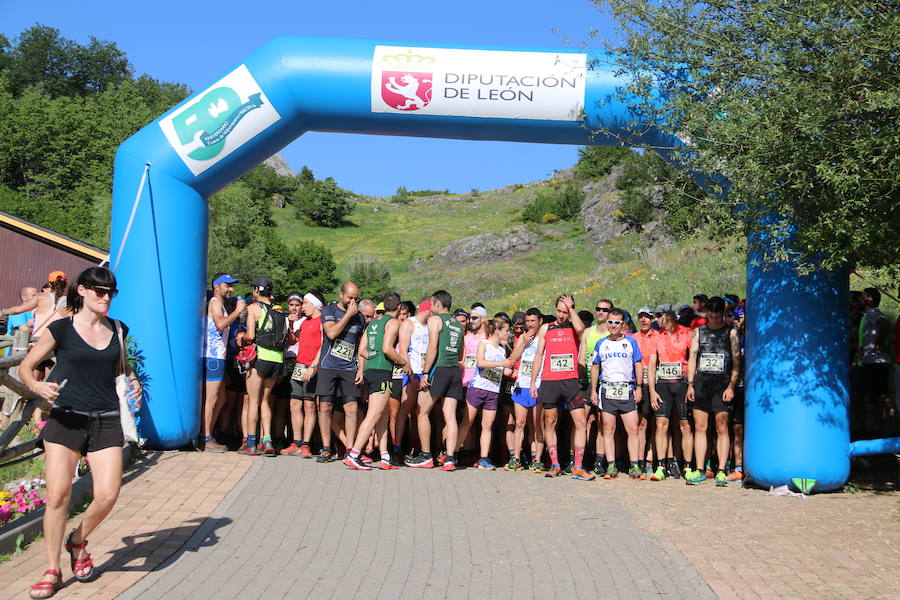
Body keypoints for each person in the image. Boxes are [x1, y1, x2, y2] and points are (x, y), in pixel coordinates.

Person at [19, 267, 142, 599]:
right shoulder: (61, 329)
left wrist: (133, 380)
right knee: (58, 496)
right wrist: (37, 386)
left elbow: (121, 365)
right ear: (83, 291)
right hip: (67, 419)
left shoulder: (118, 329)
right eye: (100, 291)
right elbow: (25, 366)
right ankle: (52, 570)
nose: (106, 298)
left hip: (106, 418)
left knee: (107, 494)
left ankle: (77, 540)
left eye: (111, 293)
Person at [531, 294, 593, 480]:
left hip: (571, 382)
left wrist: (572, 308)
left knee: (581, 423)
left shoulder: (576, 328)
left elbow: (582, 329)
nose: (561, 315)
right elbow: (539, 356)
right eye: (559, 311)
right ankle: (555, 464)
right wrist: (534, 381)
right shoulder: (546, 328)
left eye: (565, 312)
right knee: (549, 423)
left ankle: (578, 466)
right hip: (550, 381)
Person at [345, 292, 408, 470]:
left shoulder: (373, 322)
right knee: (373, 414)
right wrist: (403, 362)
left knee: (382, 414)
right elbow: (388, 349)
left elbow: (362, 349)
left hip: (371, 370)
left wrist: (374, 356)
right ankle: (354, 454)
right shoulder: (393, 322)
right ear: (398, 308)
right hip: (382, 371)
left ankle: (385, 457)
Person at [406, 290, 464, 470]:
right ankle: (450, 458)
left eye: (431, 304)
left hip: (439, 369)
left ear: (437, 304)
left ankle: (425, 455)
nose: (430, 308)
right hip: (454, 370)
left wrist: (425, 373)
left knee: (422, 411)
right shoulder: (458, 325)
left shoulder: (435, 320)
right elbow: (461, 353)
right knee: (450, 415)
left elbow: (432, 347)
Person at [686, 296, 741, 486]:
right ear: (707, 314)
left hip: (722, 384)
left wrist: (731, 386)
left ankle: (721, 470)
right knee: (700, 428)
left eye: (718, 318)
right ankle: (700, 469)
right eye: (712, 317)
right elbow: (692, 358)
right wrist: (690, 384)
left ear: (723, 315)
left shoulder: (731, 332)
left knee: (722, 428)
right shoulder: (698, 332)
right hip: (702, 384)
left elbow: (736, 362)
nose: (715, 321)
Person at [238, 277, 292, 456]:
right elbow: (290, 338)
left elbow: (251, 335)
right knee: (265, 400)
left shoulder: (253, 308)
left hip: (259, 358)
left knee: (253, 401)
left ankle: (251, 443)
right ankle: (267, 440)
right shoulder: (280, 311)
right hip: (277, 360)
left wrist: (241, 338)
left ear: (255, 290)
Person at [591, 308, 645, 479]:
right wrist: (593, 390)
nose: (613, 326)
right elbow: (595, 367)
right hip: (607, 390)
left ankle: (634, 466)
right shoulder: (601, 343)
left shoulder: (631, 342)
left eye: (617, 323)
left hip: (627, 389)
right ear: (607, 323)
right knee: (608, 429)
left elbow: (638, 364)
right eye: (610, 322)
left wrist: (639, 387)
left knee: (632, 429)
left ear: (623, 324)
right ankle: (611, 466)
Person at [315, 282, 366, 462]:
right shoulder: (329, 311)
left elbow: (361, 345)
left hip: (349, 368)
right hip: (329, 365)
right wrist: (347, 316)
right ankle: (327, 448)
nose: (353, 301)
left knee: (351, 409)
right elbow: (331, 333)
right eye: (350, 297)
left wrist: (361, 368)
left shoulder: (359, 318)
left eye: (356, 298)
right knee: (325, 407)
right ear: (341, 295)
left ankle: (351, 450)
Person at [457, 316, 514, 470]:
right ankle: (453, 453)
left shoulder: (502, 350)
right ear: (497, 331)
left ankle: (484, 458)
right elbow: (481, 363)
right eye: (506, 330)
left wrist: (509, 371)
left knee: (487, 426)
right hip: (477, 388)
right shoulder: (484, 344)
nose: (508, 334)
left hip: (493, 391)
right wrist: (502, 364)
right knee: (467, 422)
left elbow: (501, 369)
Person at [201, 274, 245, 452]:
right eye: (228, 285)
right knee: (211, 400)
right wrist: (237, 311)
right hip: (212, 357)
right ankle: (205, 437)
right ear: (217, 286)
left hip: (218, 357)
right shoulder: (215, 303)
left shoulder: (220, 305)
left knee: (222, 398)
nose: (231, 289)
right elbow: (220, 324)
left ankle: (209, 433)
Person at [650, 309, 693, 480]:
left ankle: (688, 467)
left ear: (670, 318)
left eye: (659, 317)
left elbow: (693, 358)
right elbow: (653, 365)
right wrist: (652, 391)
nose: (656, 320)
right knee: (661, 425)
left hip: (682, 383)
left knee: (686, 426)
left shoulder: (686, 332)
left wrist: (691, 384)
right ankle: (661, 466)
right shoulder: (657, 336)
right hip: (663, 384)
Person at [281, 292, 324, 457]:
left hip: (311, 369)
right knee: (294, 406)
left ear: (315, 304)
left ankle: (306, 444)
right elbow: (294, 341)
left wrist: (313, 367)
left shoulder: (321, 322)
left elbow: (323, 346)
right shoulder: (304, 323)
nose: (302, 306)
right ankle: (296, 442)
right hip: (299, 366)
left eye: (305, 303)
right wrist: (291, 326)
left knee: (309, 406)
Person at [505, 308, 543, 471]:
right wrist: (524, 343)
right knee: (519, 423)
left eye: (533, 321)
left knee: (536, 425)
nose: (529, 324)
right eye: (527, 321)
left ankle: (537, 459)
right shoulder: (523, 337)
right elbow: (513, 358)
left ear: (540, 321)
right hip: (522, 386)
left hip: (538, 385)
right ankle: (516, 458)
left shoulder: (544, 337)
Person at [396, 300, 431, 462]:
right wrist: (408, 367)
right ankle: (397, 446)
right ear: (426, 311)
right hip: (412, 371)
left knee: (420, 412)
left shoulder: (431, 324)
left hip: (425, 373)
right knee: (405, 409)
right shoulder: (410, 323)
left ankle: (417, 447)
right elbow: (403, 349)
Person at [581, 298, 612, 476]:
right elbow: (581, 357)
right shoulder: (588, 332)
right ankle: (580, 459)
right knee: (581, 422)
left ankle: (599, 461)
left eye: (605, 310)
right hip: (586, 383)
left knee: (602, 424)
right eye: (598, 309)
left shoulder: (613, 332)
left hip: (604, 382)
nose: (600, 312)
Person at [857, 287, 894, 432]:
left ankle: (889, 427)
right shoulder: (868, 314)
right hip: (870, 361)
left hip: (876, 361)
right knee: (874, 396)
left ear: (869, 299)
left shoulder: (872, 312)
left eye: (863, 296)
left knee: (881, 395)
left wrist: (879, 342)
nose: (860, 299)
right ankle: (879, 427)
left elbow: (886, 325)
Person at [633, 307, 659, 477]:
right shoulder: (633, 338)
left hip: (657, 383)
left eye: (647, 317)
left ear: (652, 320)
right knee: (641, 423)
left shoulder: (659, 337)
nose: (643, 320)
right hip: (638, 383)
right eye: (641, 317)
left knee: (657, 424)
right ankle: (640, 459)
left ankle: (653, 458)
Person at [2, 272, 69, 337]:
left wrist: (2, 312)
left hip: (38, 341)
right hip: (58, 342)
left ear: (50, 284)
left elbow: (17, 310)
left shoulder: (41, 297)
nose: (35, 296)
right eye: (33, 295)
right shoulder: (69, 302)